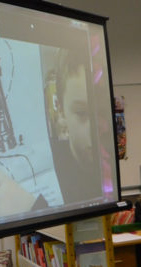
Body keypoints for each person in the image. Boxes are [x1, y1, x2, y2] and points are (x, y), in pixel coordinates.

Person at [51, 48, 102, 203]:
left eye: (102, 112)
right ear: (61, 111)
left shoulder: (109, 168)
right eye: (81, 113)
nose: (96, 130)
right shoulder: (51, 175)